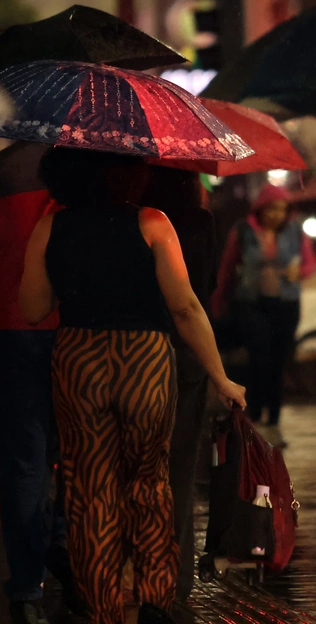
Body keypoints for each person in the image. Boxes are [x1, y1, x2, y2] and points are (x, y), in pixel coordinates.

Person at [20, 150, 246, 624]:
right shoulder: (152, 222)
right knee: (149, 480)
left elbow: (33, 307)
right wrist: (220, 376)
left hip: (79, 359)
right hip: (144, 358)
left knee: (90, 486)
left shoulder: (50, 227)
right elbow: (184, 307)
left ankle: (103, 607)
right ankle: (154, 600)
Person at [0, 138, 73, 624]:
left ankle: (27, 590)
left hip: (12, 331)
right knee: (78, 452)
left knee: (23, 463)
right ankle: (72, 555)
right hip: (76, 331)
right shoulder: (81, 167)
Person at [140, 167, 217, 602]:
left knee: (139, 470)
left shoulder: (142, 220)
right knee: (180, 471)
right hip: (191, 352)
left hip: (144, 346)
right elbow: (204, 289)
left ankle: (141, 576)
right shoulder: (201, 222)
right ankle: (177, 581)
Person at [212, 184, 316, 433]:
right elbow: (228, 266)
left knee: (279, 360)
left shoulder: (295, 231)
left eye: (282, 209)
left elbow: (311, 262)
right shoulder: (244, 230)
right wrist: (219, 302)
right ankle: (256, 413)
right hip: (252, 303)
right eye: (272, 209)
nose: (277, 215)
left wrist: (300, 272)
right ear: (261, 209)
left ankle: (275, 417)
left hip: (286, 304)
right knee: (259, 357)